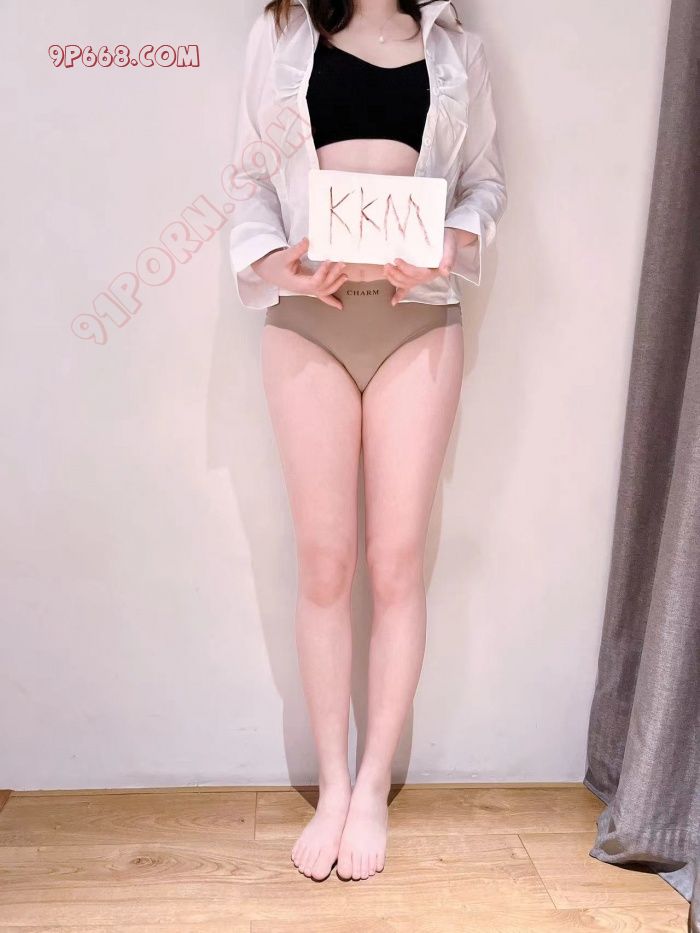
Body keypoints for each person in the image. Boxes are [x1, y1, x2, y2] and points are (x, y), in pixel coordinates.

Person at [229, 0, 507, 883]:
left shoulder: (457, 48)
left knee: (395, 564)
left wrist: (450, 246)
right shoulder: (280, 32)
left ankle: (375, 779)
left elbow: (486, 183)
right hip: (307, 319)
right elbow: (247, 177)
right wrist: (273, 261)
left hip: (418, 323)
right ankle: (335, 783)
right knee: (324, 563)